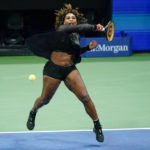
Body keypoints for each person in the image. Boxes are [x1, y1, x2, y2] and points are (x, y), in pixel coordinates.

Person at [26, 4, 104, 142]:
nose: (71, 20)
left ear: (76, 21)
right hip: (53, 69)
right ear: (64, 22)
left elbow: (74, 54)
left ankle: (97, 125)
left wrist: (87, 48)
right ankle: (33, 111)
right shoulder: (61, 29)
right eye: (68, 18)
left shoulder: (76, 36)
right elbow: (81, 27)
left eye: (73, 18)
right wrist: (95, 27)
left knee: (85, 97)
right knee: (45, 100)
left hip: (70, 69)